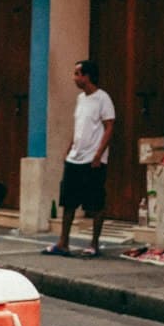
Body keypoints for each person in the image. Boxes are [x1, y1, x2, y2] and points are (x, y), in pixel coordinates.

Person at [45, 59, 115, 258]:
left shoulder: (103, 99)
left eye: (77, 74)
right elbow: (79, 127)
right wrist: (69, 148)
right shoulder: (80, 99)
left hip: (93, 159)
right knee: (68, 202)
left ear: (87, 76)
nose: (74, 78)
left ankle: (94, 244)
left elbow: (109, 126)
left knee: (95, 203)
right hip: (75, 158)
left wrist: (99, 154)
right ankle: (63, 242)